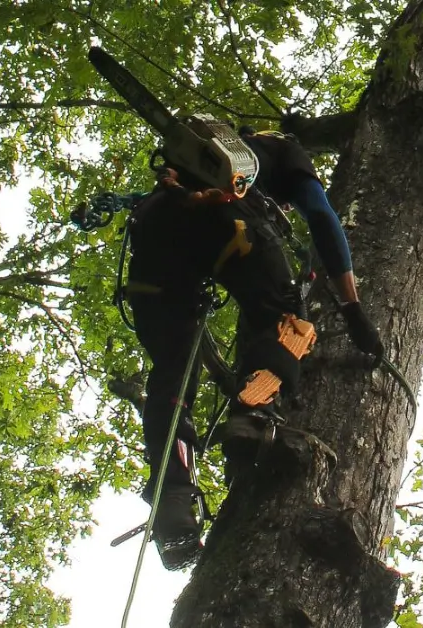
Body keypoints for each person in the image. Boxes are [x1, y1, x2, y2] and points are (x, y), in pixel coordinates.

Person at [122, 127, 382, 569]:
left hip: (154, 239)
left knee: (172, 366)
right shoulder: (284, 150)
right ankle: (253, 412)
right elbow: (321, 217)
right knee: (288, 317)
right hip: (224, 226)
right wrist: (353, 307)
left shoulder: (193, 163)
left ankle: (173, 493)